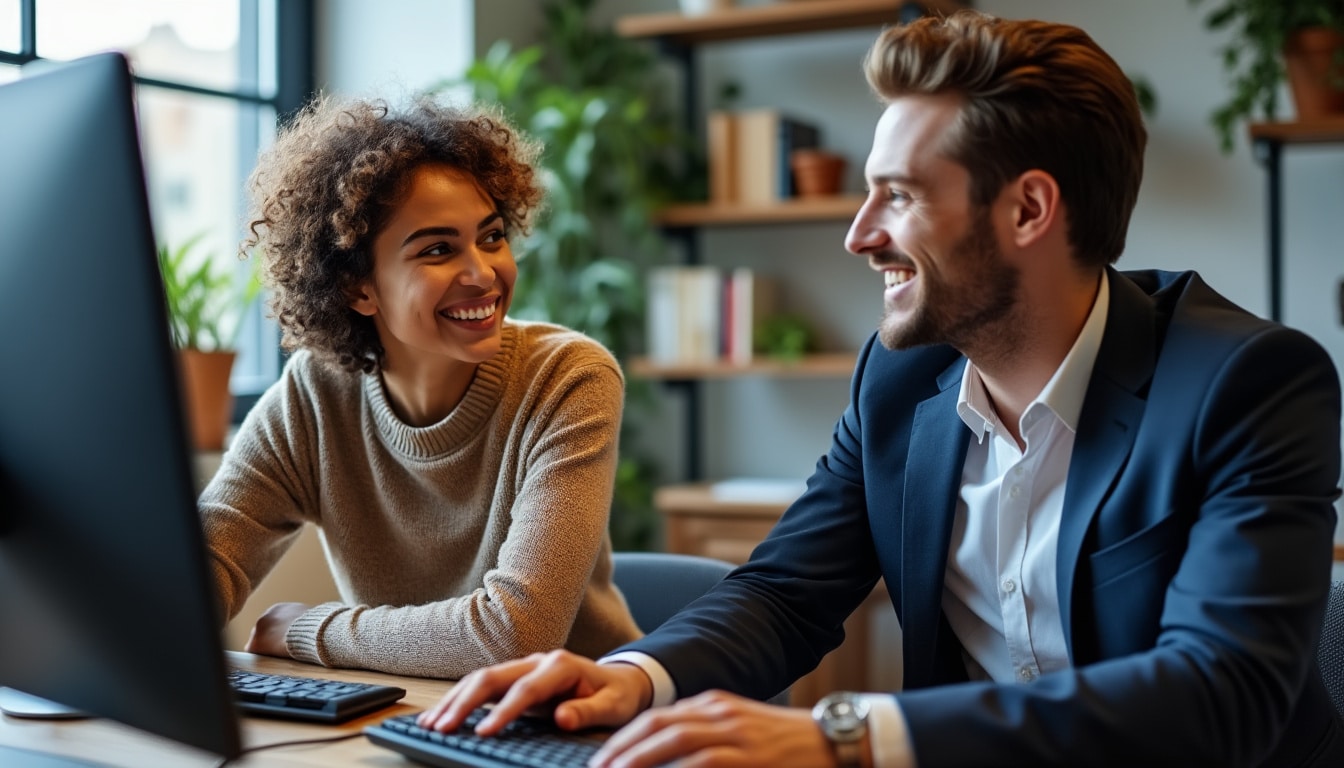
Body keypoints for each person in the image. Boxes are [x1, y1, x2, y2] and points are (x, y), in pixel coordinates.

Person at [416, 9, 1344, 767]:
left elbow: (1224, 690)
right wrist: (631, 675)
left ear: (1028, 209)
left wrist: (843, 736)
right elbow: (787, 593)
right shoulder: (903, 379)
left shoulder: (1247, 385)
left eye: (897, 195)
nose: (859, 234)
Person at [199, 94, 642, 680]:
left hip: (574, 728)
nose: (483, 274)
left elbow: (515, 636)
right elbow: (204, 563)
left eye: (490, 237)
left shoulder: (567, 379)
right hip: (406, 715)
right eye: (437, 250)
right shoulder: (316, 394)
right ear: (359, 288)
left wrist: (311, 630)